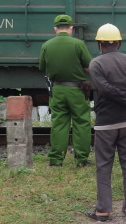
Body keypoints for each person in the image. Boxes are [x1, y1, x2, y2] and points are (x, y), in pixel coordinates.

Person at [86, 24, 126, 221]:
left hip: (106, 122)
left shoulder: (96, 64)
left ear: (99, 44)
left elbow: (104, 89)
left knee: (104, 165)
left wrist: (122, 96)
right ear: (118, 43)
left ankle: (103, 210)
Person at [39, 14, 92, 167]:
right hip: (76, 90)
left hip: (57, 89)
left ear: (55, 29)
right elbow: (89, 66)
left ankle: (56, 160)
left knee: (59, 123)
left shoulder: (47, 45)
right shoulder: (78, 44)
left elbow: (42, 67)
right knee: (81, 122)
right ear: (71, 28)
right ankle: (81, 159)